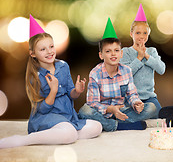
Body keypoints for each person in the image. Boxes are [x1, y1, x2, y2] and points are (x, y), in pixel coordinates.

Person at [0, 15, 102, 149]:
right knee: (70, 133)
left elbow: (71, 95)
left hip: (67, 115)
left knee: (96, 127)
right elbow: (41, 109)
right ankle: (25, 140)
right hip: (47, 118)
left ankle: (59, 134)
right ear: (33, 54)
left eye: (51, 46)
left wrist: (77, 90)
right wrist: (53, 91)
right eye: (43, 49)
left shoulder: (63, 66)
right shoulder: (35, 76)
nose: (49, 52)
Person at [78, 18, 157, 131]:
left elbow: (131, 94)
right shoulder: (95, 73)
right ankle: (119, 126)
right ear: (101, 55)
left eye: (116, 50)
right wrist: (111, 109)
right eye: (108, 51)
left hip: (122, 111)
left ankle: (109, 124)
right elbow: (92, 103)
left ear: (121, 53)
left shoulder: (126, 70)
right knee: (85, 111)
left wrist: (136, 103)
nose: (113, 54)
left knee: (151, 108)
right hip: (103, 111)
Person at [120, 4, 165, 117]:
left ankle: (129, 118)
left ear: (148, 35)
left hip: (149, 98)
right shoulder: (125, 52)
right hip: (130, 98)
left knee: (156, 111)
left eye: (145, 33)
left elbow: (161, 69)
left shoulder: (152, 51)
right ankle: (131, 116)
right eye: (138, 33)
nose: (141, 36)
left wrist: (146, 56)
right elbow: (125, 74)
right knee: (143, 111)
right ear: (131, 34)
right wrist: (139, 58)